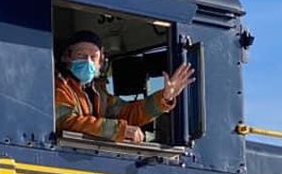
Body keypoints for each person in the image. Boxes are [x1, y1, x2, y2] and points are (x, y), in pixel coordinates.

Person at [54, 30, 196, 143]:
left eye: (93, 57)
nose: (88, 61)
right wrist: (118, 130)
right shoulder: (59, 87)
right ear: (68, 57)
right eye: (81, 55)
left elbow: (129, 113)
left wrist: (164, 97)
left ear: (100, 62)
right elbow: (66, 122)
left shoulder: (100, 95)